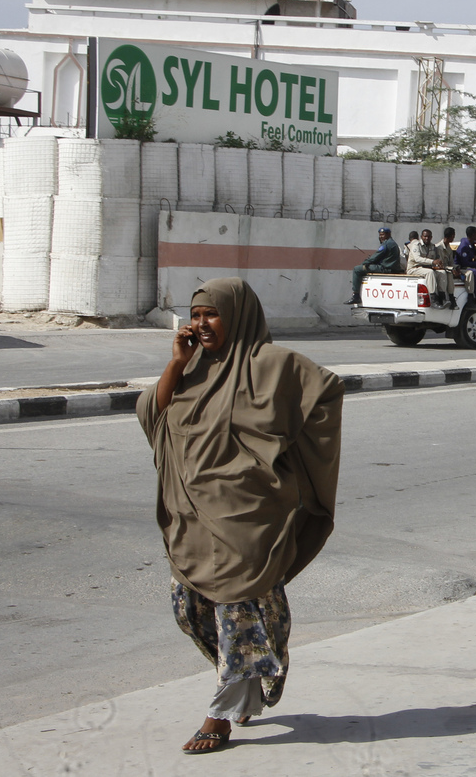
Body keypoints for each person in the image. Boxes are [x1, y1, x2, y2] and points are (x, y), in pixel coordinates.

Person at [136, 278, 344, 753]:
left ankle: (220, 716)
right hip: (190, 518)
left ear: (238, 316)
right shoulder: (193, 369)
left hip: (246, 520)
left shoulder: (271, 365)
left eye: (212, 314)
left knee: (239, 615)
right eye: (196, 314)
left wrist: (270, 459)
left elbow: (326, 394)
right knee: (189, 610)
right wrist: (176, 362)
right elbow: (153, 415)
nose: (201, 323)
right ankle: (247, 676)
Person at [346, 227, 403, 305]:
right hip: (390, 267)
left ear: (388, 234)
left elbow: (376, 256)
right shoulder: (392, 243)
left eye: (383, 235)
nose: (381, 237)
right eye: (380, 235)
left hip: (385, 268)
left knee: (357, 269)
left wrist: (365, 263)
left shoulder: (387, 244)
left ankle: (356, 295)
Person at [407, 228, 455, 309]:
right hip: (414, 268)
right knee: (430, 272)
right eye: (425, 236)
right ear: (421, 237)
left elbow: (436, 259)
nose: (427, 238)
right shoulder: (416, 245)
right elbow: (417, 259)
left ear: (431, 237)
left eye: (429, 237)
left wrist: (438, 265)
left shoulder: (432, 246)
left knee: (442, 273)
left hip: (425, 268)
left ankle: (442, 298)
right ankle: (433, 299)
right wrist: (433, 262)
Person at [442, 226, 474, 302]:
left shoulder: (449, 247)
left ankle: (470, 296)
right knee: (449, 274)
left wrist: (457, 268)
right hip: (445, 270)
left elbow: (451, 262)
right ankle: (450, 297)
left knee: (469, 273)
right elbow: (440, 265)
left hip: (451, 268)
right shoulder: (439, 247)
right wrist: (452, 270)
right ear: (452, 236)